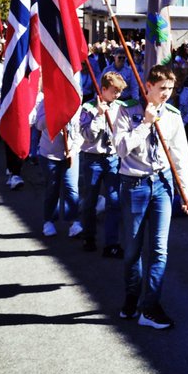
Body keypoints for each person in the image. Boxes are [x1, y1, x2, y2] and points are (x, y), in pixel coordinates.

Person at [114, 63, 188, 330]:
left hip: (162, 183)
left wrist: (186, 190)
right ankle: (132, 297)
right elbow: (122, 149)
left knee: (159, 250)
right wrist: (146, 124)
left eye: (170, 89)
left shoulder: (171, 115)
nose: (166, 94)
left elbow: (180, 155)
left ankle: (150, 307)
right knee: (132, 252)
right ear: (148, 86)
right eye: (161, 89)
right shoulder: (127, 111)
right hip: (133, 184)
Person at [79, 71, 127, 254]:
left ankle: (111, 243)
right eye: (114, 91)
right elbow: (87, 135)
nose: (117, 95)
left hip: (113, 158)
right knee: (90, 200)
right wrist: (99, 115)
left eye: (119, 92)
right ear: (104, 89)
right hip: (93, 159)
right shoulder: (89, 108)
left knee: (114, 201)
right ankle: (88, 236)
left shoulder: (121, 107)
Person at [36, 98, 84, 239]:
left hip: (70, 154)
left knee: (71, 188)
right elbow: (39, 125)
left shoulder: (77, 104)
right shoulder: (46, 102)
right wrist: (54, 114)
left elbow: (80, 132)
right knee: (52, 188)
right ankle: (49, 220)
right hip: (49, 154)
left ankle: (73, 221)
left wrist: (73, 151)